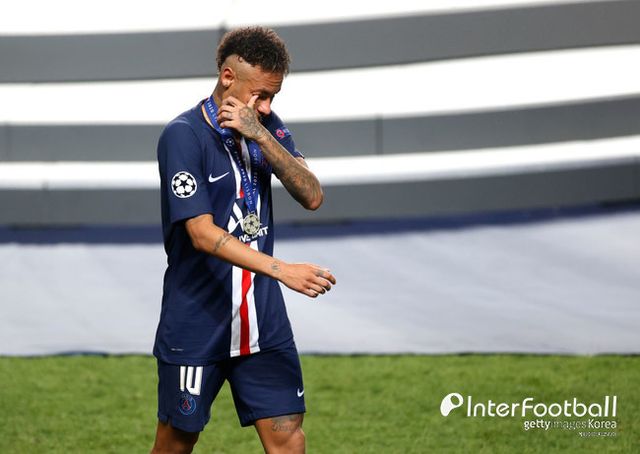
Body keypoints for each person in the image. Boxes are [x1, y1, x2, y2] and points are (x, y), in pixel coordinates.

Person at [150, 26, 336, 453]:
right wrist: (282, 270)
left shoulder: (265, 126)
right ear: (228, 77)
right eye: (261, 94)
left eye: (274, 97)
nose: (267, 106)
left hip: (262, 322)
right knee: (175, 444)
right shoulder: (183, 136)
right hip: (198, 321)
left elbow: (312, 195)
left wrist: (261, 134)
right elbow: (201, 233)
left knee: (288, 439)